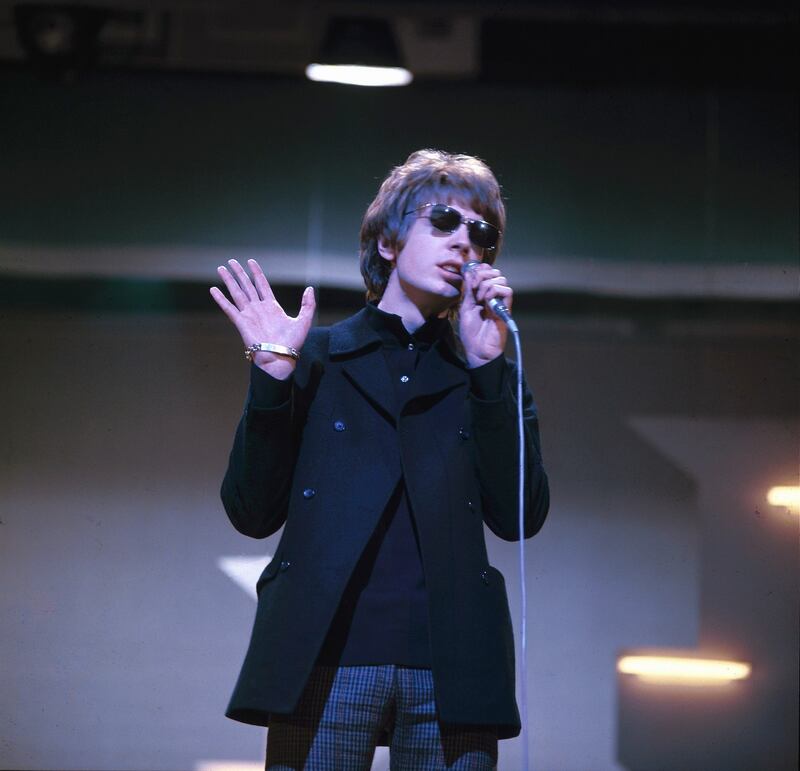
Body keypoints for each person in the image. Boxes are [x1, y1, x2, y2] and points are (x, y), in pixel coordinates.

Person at [210, 149, 550, 770]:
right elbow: (251, 512)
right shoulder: (313, 357)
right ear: (389, 242)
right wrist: (271, 378)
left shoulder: (489, 371)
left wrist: (487, 373)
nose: (465, 245)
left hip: (453, 668)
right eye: (444, 220)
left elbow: (519, 517)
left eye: (482, 234)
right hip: (328, 656)